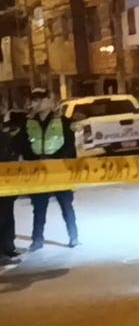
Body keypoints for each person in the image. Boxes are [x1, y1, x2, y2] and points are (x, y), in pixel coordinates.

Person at [17, 88, 78, 251]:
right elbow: (22, 145)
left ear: (50, 101)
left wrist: (55, 160)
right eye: (34, 100)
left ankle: (73, 236)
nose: (37, 103)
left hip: (59, 170)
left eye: (41, 99)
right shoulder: (28, 123)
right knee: (39, 207)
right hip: (38, 171)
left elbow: (69, 146)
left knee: (66, 205)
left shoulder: (64, 122)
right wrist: (34, 159)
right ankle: (37, 240)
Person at [0, 108, 22, 264]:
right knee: (5, 217)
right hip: (6, 184)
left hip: (7, 185)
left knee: (7, 217)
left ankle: (8, 248)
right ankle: (5, 250)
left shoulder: (6, 138)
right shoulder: (6, 138)